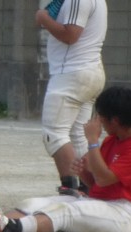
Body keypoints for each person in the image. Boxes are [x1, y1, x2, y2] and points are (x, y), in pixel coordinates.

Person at [0, 86, 131, 232]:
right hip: (97, 202)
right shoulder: (112, 140)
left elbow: (103, 179)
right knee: (33, 204)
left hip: (121, 212)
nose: (98, 121)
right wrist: (83, 172)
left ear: (115, 121)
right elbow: (97, 183)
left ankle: (9, 228)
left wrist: (93, 141)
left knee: (63, 211)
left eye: (101, 117)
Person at [35, 0, 107, 195]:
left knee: (54, 134)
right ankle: (91, 190)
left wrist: (43, 18)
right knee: (78, 137)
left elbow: (70, 35)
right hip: (88, 72)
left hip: (71, 74)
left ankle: (70, 189)